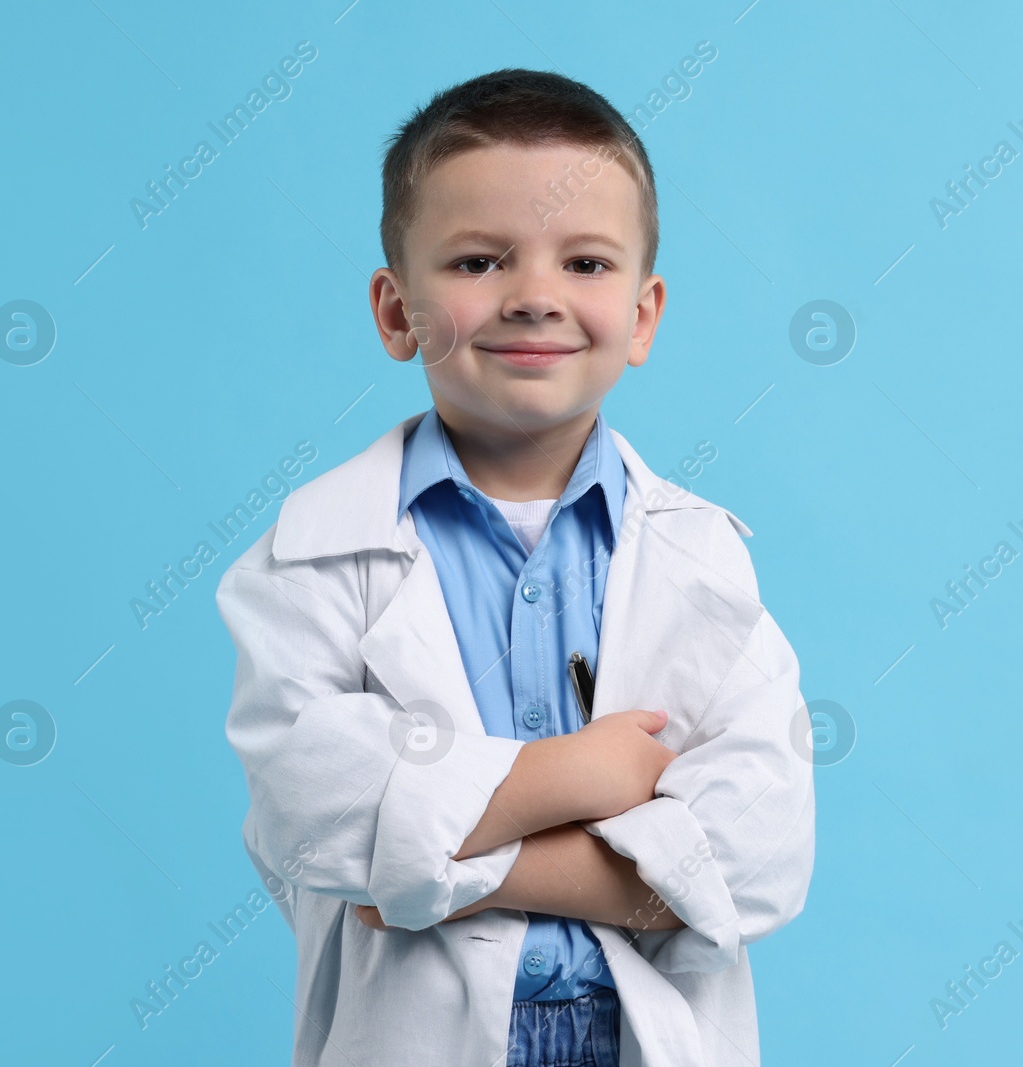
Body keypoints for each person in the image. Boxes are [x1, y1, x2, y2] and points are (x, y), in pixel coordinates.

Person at [215, 68, 815, 1066]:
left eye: (584, 263)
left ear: (642, 314)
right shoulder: (309, 554)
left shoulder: (699, 556)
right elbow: (314, 816)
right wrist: (581, 775)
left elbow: (757, 857)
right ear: (396, 309)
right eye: (479, 260)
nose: (534, 297)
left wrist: (448, 868)